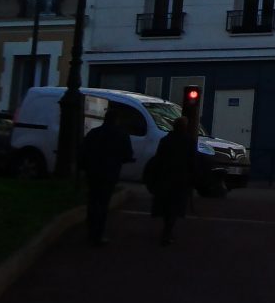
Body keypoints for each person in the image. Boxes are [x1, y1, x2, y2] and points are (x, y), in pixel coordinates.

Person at [76, 105, 134, 246]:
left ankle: (91, 230)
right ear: (117, 120)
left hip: (93, 172)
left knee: (93, 200)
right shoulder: (121, 135)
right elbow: (127, 155)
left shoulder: (94, 133)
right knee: (103, 203)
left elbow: (83, 152)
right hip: (110, 172)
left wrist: (84, 167)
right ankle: (98, 233)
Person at [143, 106, 198, 246]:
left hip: (166, 177)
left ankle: (167, 229)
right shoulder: (189, 142)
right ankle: (168, 230)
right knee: (175, 205)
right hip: (180, 178)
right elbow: (192, 161)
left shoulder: (166, 140)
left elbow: (158, 158)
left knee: (167, 203)